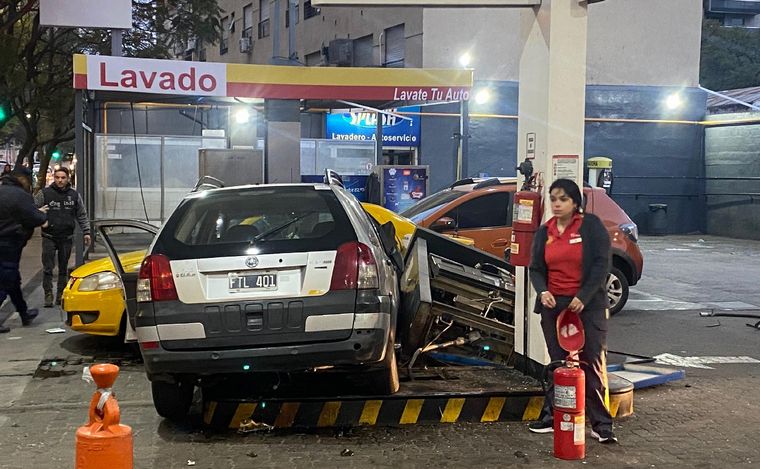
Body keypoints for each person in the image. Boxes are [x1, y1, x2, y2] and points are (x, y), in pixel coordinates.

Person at [527, 178, 617, 444]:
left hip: (586, 306)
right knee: (558, 363)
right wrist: (542, 291)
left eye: (563, 199)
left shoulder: (591, 227)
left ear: (575, 203)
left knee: (590, 361)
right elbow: (535, 267)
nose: (556, 204)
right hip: (554, 306)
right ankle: (552, 417)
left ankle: (601, 424)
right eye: (553, 199)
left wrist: (584, 296)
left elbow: (602, 264)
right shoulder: (546, 231)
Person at [0, 166, 48, 333]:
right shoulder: (20, 196)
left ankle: (23, 312)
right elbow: (35, 218)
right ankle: (23, 312)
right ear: (24, 179)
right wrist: (41, 214)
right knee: (8, 277)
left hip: (6, 242)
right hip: (9, 243)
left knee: (12, 280)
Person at [34, 167, 91, 307]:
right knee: (48, 267)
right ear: (54, 178)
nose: (60, 180)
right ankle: (48, 294)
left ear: (68, 178)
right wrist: (39, 213)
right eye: (57, 177)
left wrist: (87, 231)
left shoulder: (74, 195)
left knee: (63, 268)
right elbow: (30, 210)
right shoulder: (44, 193)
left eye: (63, 178)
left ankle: (61, 294)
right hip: (49, 236)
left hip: (66, 237)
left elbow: (81, 215)